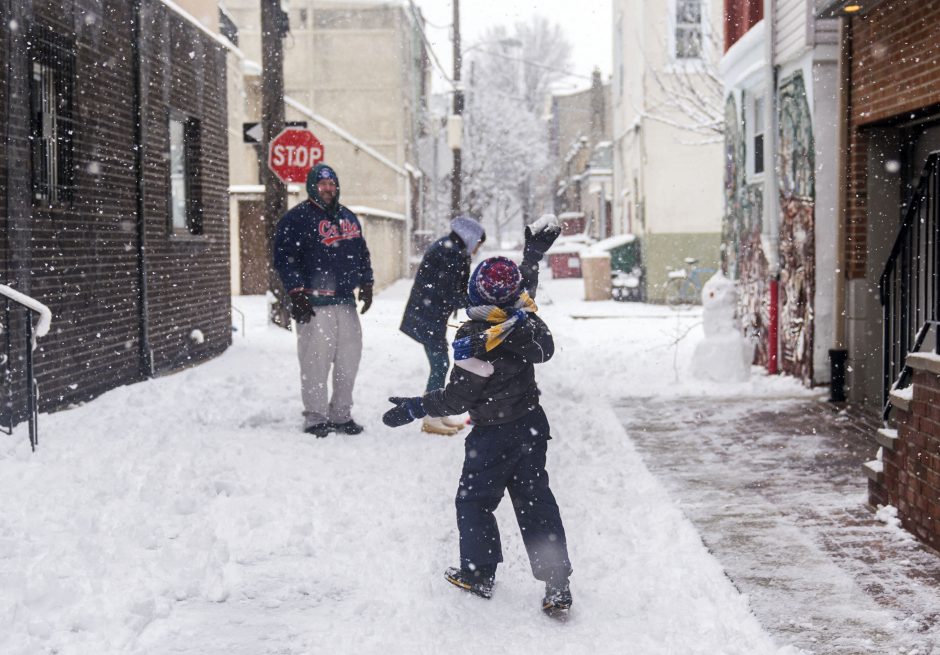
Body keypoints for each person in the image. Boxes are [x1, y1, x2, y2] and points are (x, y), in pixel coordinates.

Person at [382, 219, 573, 616]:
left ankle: (478, 572)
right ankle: (557, 585)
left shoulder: (474, 338)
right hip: (530, 427)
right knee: (536, 502)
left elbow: (456, 398)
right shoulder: (523, 322)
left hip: (491, 437)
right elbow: (525, 297)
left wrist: (416, 406)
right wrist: (532, 258)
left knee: (474, 501)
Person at [273, 163, 373, 438]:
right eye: (322, 184)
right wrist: (296, 293)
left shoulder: (349, 217)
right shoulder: (296, 219)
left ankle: (341, 415)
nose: (328, 190)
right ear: (312, 187)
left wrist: (366, 282)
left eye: (331, 184)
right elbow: (285, 259)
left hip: (345, 302)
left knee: (348, 361)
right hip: (314, 305)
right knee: (315, 362)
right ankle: (316, 417)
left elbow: (361, 252)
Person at [399, 216, 486, 436]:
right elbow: (450, 292)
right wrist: (478, 304)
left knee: (441, 363)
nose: (477, 249)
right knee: (440, 364)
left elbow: (452, 289)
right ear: (470, 238)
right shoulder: (450, 252)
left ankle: (436, 413)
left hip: (429, 314)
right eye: (477, 243)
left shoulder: (451, 249)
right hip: (427, 315)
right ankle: (431, 417)